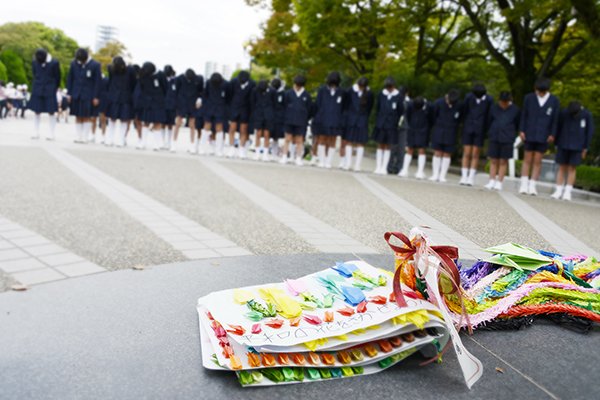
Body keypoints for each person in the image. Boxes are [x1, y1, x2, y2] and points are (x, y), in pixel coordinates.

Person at [518, 77, 560, 195]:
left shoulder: (554, 100)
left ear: (548, 90)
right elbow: (524, 114)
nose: (540, 94)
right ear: (535, 88)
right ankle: (523, 185)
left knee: (537, 160)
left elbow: (555, 119)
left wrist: (553, 133)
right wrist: (521, 130)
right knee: (527, 159)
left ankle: (532, 186)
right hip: (529, 132)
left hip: (544, 134)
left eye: (543, 92)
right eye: (538, 91)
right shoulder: (529, 98)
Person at [550, 101, 594, 201]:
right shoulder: (564, 113)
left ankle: (568, 192)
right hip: (563, 144)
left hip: (578, 146)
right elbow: (558, 128)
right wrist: (556, 145)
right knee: (562, 167)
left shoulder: (587, 115)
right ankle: (558, 190)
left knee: (572, 168)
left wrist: (585, 148)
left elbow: (589, 132)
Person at [483, 91, 520, 191]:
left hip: (508, 138)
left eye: (505, 102)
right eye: (501, 102)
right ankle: (491, 181)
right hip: (494, 136)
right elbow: (489, 121)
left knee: (503, 161)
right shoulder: (493, 108)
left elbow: (517, 124)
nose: (503, 104)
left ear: (510, 100)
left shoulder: (516, 110)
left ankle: (499, 182)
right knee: (494, 160)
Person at [460, 83, 493, 186]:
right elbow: (464, 111)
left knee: (475, 153)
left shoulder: (489, 100)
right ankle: (464, 176)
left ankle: (471, 177)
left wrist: (485, 128)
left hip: (480, 129)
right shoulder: (468, 97)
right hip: (468, 127)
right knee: (466, 153)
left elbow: (489, 115)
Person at [67, 48, 102, 143]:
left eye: (82, 60)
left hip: (89, 94)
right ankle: (79, 136)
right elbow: (70, 78)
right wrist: (69, 94)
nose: (81, 62)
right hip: (76, 93)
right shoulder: (74, 63)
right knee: (78, 115)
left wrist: (96, 96)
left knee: (87, 116)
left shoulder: (95, 65)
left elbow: (98, 82)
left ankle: (85, 137)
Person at [312, 71, 346, 169]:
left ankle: (328, 161)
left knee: (332, 142)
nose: (332, 85)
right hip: (322, 119)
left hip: (335, 120)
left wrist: (341, 119)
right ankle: (321, 161)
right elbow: (317, 104)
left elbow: (344, 107)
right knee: (321, 140)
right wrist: (317, 117)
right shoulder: (322, 90)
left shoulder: (342, 92)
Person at [429, 89, 464, 182]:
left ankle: (443, 175)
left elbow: (460, 118)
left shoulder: (459, 106)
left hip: (451, 131)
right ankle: (435, 174)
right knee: (437, 153)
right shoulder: (438, 103)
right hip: (439, 129)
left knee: (447, 154)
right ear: (446, 96)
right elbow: (433, 116)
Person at [372, 76, 404, 175]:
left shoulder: (399, 96)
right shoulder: (381, 94)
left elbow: (400, 111)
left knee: (388, 146)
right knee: (380, 144)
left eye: (391, 88)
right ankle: (378, 166)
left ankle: (384, 167)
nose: (389, 90)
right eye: (387, 88)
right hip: (381, 122)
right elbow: (378, 108)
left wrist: (395, 122)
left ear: (394, 86)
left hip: (392, 124)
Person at [27, 48, 61, 140]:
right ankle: (36, 132)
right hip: (37, 88)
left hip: (50, 89)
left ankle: (51, 133)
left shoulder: (54, 63)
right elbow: (35, 74)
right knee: (36, 111)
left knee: (51, 111)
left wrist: (54, 87)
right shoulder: (34, 61)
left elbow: (57, 77)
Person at [398, 96, 434, 179]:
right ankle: (405, 170)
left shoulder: (430, 106)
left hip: (424, 130)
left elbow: (431, 119)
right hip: (413, 128)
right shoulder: (411, 104)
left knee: (422, 149)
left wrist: (426, 128)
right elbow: (408, 116)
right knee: (410, 148)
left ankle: (420, 171)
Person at [279, 74, 312, 166]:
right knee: (287, 139)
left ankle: (298, 158)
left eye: (299, 86)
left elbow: (309, 110)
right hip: (289, 120)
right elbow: (284, 106)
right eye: (296, 85)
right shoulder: (288, 94)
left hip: (301, 121)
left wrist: (305, 119)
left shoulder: (307, 96)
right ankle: (285, 156)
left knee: (299, 140)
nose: (297, 87)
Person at [343, 77, 374, 171]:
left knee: (360, 142)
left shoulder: (370, 93)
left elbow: (370, 107)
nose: (361, 88)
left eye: (363, 87)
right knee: (349, 141)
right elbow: (346, 104)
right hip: (351, 118)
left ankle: (357, 165)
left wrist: (364, 116)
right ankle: (348, 163)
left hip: (362, 119)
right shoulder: (350, 90)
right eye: (360, 86)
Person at [105, 56, 137, 147]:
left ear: (123, 64)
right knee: (112, 118)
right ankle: (110, 139)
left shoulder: (130, 69)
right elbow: (110, 81)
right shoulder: (110, 67)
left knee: (124, 119)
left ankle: (121, 139)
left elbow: (133, 84)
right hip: (113, 96)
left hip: (126, 97)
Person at [135, 62, 167, 150]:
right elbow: (141, 87)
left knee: (157, 122)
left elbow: (165, 88)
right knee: (146, 122)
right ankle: (143, 142)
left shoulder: (161, 75)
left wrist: (160, 98)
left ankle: (156, 144)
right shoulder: (144, 74)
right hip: (147, 101)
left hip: (158, 102)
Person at [173, 68, 203, 153]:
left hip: (193, 103)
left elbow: (201, 91)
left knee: (192, 125)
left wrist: (199, 100)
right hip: (181, 102)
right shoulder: (179, 78)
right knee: (178, 123)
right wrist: (176, 104)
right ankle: (174, 144)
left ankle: (192, 146)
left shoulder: (199, 79)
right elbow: (176, 91)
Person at [227, 70, 255, 158]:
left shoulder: (252, 84)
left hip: (245, 109)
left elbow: (252, 98)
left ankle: (241, 150)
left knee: (243, 131)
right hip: (234, 107)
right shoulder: (234, 81)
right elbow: (230, 95)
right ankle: (231, 149)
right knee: (232, 129)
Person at [200, 72, 229, 156]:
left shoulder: (226, 84)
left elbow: (228, 97)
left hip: (220, 108)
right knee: (206, 127)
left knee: (219, 128)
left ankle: (219, 150)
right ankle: (203, 149)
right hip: (209, 107)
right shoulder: (208, 82)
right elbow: (204, 95)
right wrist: (205, 107)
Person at [250, 79, 276, 161]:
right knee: (258, 134)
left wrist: (271, 113)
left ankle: (265, 154)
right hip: (258, 114)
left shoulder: (273, 91)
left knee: (266, 135)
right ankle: (257, 153)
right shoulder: (255, 90)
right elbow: (252, 102)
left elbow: (275, 103)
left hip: (269, 115)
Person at [387, 85, 409, 174]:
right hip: (393, 125)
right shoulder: (394, 99)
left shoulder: (409, 102)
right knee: (391, 147)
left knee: (401, 149)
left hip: (404, 126)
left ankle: (399, 167)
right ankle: (389, 166)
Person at [270, 78, 286, 160]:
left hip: (279, 118)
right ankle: (272, 154)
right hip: (271, 117)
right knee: (271, 136)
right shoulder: (270, 92)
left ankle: (275, 154)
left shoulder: (283, 94)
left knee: (277, 137)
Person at [91, 73, 109, 143]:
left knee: (103, 119)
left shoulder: (107, 80)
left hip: (104, 100)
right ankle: (93, 135)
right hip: (95, 99)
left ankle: (103, 136)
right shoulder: (94, 79)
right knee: (93, 118)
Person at [163, 65, 177, 151]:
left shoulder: (175, 80)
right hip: (163, 104)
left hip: (172, 105)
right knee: (162, 124)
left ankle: (168, 142)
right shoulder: (162, 79)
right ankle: (163, 142)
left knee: (170, 124)